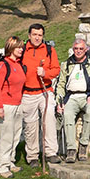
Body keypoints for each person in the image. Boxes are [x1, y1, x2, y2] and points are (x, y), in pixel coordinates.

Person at [56, 39, 90, 163]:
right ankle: (71, 149)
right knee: (67, 114)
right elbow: (60, 84)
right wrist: (60, 102)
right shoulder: (66, 64)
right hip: (72, 97)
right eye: (76, 48)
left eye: (81, 48)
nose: (78, 51)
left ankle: (83, 145)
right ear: (73, 49)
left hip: (88, 96)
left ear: (85, 49)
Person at [21, 23, 61, 168]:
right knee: (30, 125)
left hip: (45, 91)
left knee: (49, 120)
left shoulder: (49, 50)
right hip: (27, 93)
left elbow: (56, 69)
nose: (37, 38)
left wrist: (45, 73)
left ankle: (50, 153)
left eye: (40, 35)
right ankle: (32, 156)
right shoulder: (23, 50)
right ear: (29, 35)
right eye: (34, 35)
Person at [0, 36, 26, 179]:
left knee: (15, 135)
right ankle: (2, 166)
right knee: (6, 136)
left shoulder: (18, 64)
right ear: (10, 48)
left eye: (21, 47)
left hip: (18, 105)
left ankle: (11, 162)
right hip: (5, 106)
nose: (21, 49)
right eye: (18, 47)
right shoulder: (3, 65)